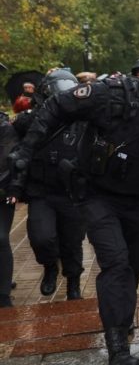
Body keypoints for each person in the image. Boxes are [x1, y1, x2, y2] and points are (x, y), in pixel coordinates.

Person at [8, 46, 139, 365]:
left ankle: (121, 312)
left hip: (138, 200)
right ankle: (118, 346)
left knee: (135, 264)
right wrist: (24, 154)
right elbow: (56, 107)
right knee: (115, 262)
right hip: (95, 194)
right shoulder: (111, 95)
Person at [13, 69, 87, 300]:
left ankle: (73, 282)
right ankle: (49, 267)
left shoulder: (83, 121)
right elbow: (18, 146)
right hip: (41, 191)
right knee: (41, 237)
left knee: (72, 241)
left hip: (71, 192)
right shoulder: (31, 121)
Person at [0, 110, 18, 307]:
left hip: (2, 191)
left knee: (1, 238)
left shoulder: (4, 128)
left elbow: (7, 161)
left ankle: (3, 294)